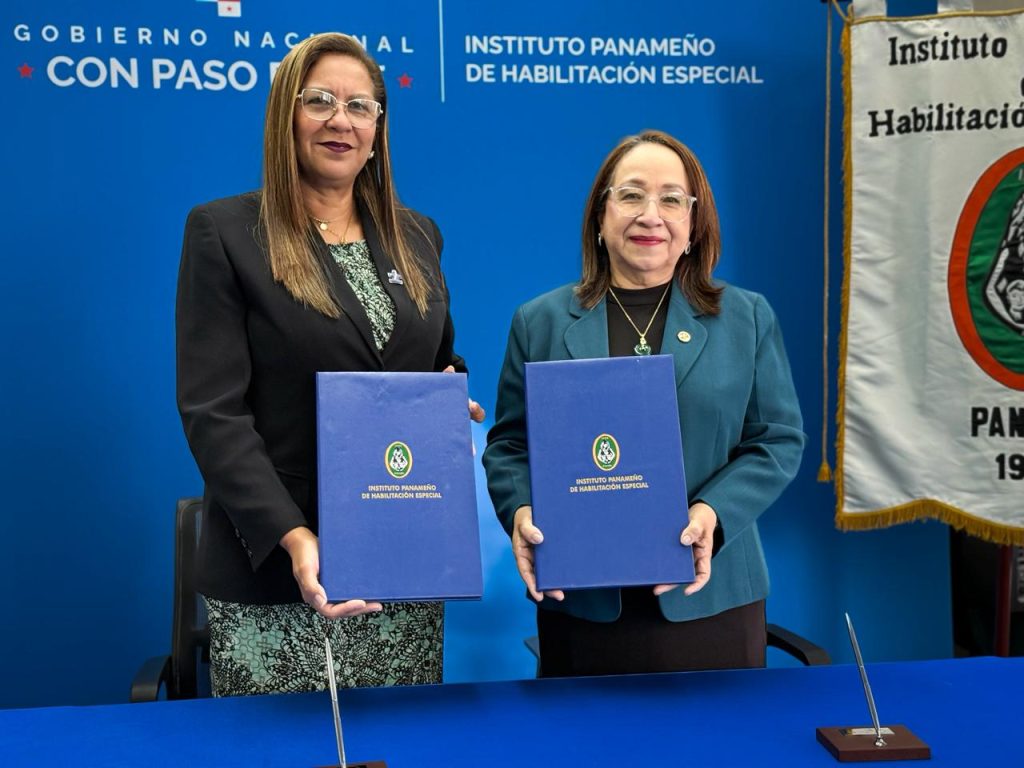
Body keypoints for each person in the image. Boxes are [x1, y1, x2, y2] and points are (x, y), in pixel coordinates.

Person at [176, 33, 482, 697]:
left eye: (360, 106)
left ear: (378, 128)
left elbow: (436, 358)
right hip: (278, 571)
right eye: (319, 101)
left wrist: (444, 397)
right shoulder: (224, 232)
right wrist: (293, 536)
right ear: (285, 115)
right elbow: (213, 411)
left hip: (400, 559)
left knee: (402, 740)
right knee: (281, 747)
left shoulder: (418, 234)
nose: (341, 120)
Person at [482, 130, 804, 677]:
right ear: (600, 216)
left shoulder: (746, 317)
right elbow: (510, 446)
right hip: (582, 602)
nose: (650, 215)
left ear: (694, 224)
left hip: (712, 597)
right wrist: (521, 511)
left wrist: (712, 514)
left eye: (672, 199)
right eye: (631, 195)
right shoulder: (540, 322)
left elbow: (777, 440)